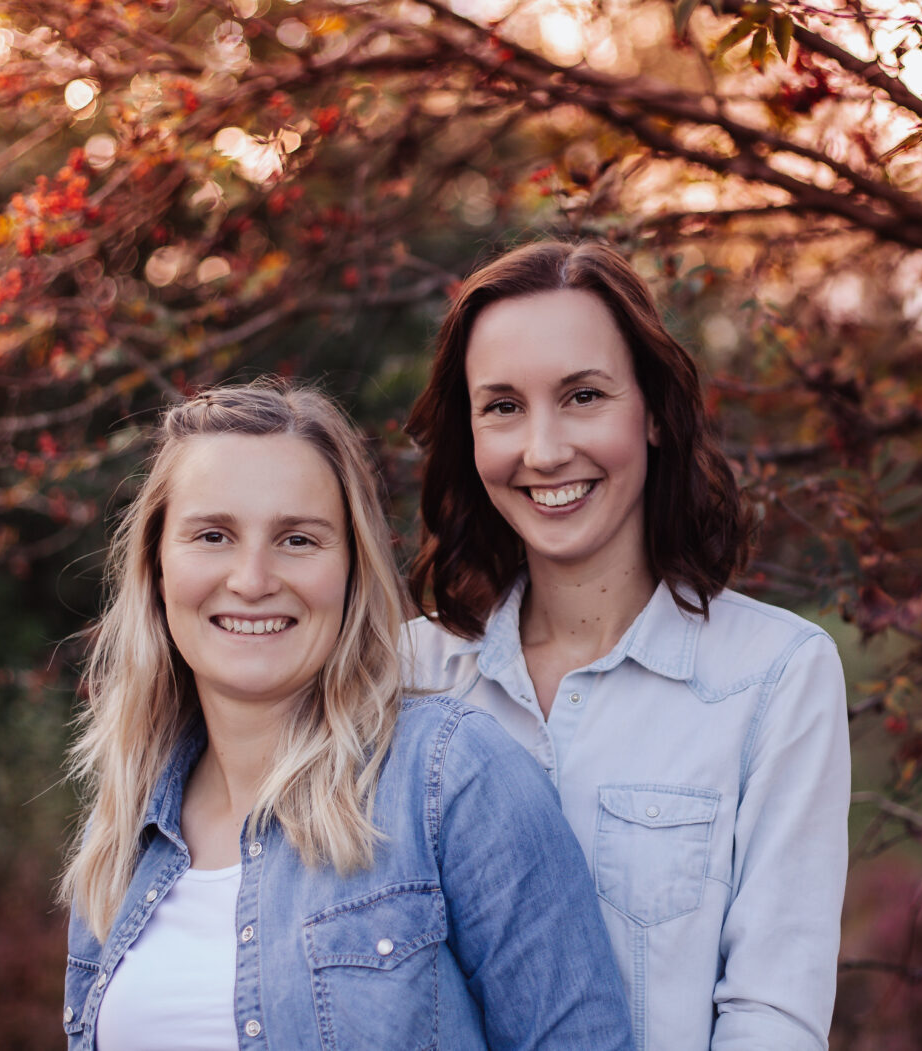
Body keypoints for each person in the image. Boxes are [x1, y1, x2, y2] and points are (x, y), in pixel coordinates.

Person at [60, 381, 634, 1051]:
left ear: (353, 571)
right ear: (157, 568)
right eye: (213, 535)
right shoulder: (126, 829)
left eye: (298, 539)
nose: (251, 578)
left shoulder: (451, 777)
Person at [402, 240, 850, 1051]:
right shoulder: (401, 676)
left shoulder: (776, 675)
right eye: (502, 406)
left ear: (651, 411)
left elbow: (772, 1015)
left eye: (582, 395)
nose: (542, 450)